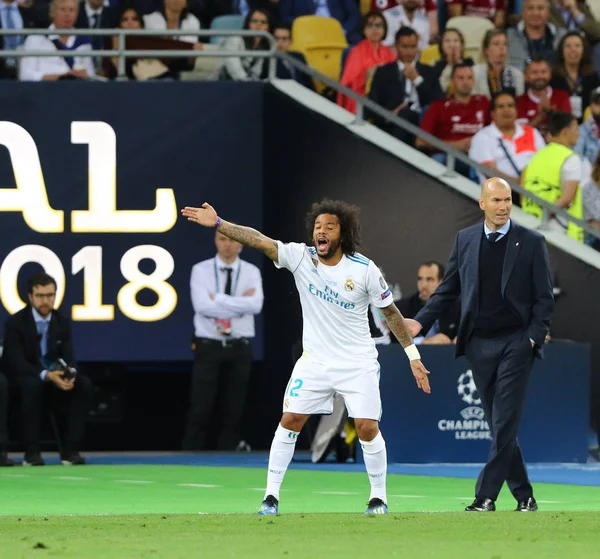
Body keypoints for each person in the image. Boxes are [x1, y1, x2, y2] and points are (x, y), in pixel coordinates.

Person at [181, 199, 431, 515]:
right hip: (315, 362)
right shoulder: (301, 258)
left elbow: (392, 315)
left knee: (367, 427)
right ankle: (270, 497)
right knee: (290, 421)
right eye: (317, 227)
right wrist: (220, 224)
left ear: (343, 233)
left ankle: (378, 497)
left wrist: (412, 355)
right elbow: (259, 240)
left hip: (358, 363)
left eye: (329, 227)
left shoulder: (364, 270)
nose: (321, 232)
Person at [405, 177, 554, 512]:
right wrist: (421, 321)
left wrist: (532, 336)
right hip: (478, 344)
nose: (503, 207)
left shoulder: (531, 241)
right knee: (498, 422)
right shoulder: (465, 239)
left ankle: (485, 496)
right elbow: (448, 289)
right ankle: (525, 495)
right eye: (496, 200)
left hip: (517, 342)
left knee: (504, 421)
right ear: (482, 203)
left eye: (507, 201)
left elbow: (544, 298)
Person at [182, 230, 264, 451]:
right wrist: (239, 303)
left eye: (233, 240)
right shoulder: (201, 270)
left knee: (234, 405)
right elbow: (201, 306)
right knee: (201, 403)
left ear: (242, 244)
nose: (228, 245)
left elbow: (255, 305)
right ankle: (191, 453)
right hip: (209, 343)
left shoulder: (251, 271)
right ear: (215, 241)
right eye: (223, 239)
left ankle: (229, 453)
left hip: (240, 345)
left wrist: (217, 299)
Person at [2, 273, 93, 466]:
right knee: (32, 385)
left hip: (53, 378)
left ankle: (70, 450)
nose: (46, 300)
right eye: (41, 295)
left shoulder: (62, 321)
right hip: (25, 377)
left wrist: (69, 374)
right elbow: (15, 362)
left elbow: (69, 357)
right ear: (30, 297)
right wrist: (46, 374)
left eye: (50, 295)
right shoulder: (15, 323)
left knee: (83, 385)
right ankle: (32, 452)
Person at [368, 26, 442, 145]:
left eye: (413, 47)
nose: (409, 52)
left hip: (422, 126)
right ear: (396, 46)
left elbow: (437, 103)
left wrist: (417, 80)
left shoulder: (430, 72)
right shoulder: (383, 72)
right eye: (405, 47)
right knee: (404, 115)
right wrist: (390, 115)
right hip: (391, 125)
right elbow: (372, 104)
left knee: (407, 114)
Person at [521, 110, 585, 242]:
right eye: (576, 129)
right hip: (561, 232)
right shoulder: (571, 159)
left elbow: (523, 192)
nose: (579, 134)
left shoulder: (536, 156)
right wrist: (545, 214)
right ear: (565, 132)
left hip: (531, 225)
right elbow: (567, 198)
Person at [337, 11, 396, 114]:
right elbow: (349, 82)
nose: (374, 29)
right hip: (362, 99)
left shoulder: (389, 52)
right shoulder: (356, 52)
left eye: (378, 25)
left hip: (386, 98)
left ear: (384, 29)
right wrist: (369, 74)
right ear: (363, 30)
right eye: (370, 26)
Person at [397, 261, 459, 345]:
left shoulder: (457, 307)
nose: (423, 285)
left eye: (430, 279)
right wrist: (423, 342)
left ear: (441, 282)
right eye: (420, 279)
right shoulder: (403, 308)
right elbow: (394, 341)